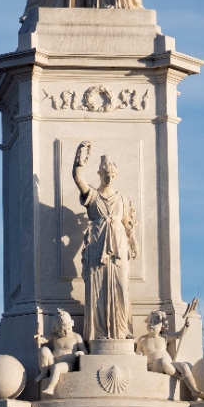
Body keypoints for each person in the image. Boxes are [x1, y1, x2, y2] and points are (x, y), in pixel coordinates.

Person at [72, 141, 137, 340]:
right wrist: (78, 163)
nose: (109, 178)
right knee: (97, 286)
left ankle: (123, 329)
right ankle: (98, 331)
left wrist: (133, 241)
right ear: (99, 174)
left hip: (118, 244)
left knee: (120, 285)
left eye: (112, 175)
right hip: (97, 243)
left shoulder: (122, 199)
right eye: (106, 175)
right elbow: (77, 178)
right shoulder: (92, 195)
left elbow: (128, 225)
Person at [136, 310, 201, 399]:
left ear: (162, 326)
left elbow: (179, 335)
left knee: (184, 366)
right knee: (163, 362)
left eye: (155, 322)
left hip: (169, 363)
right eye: (150, 322)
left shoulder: (164, 337)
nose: (151, 324)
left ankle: (194, 390)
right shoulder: (143, 339)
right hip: (153, 365)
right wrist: (139, 354)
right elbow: (137, 354)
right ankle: (181, 377)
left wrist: (186, 326)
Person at [37, 308, 87, 396]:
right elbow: (42, 340)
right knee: (44, 350)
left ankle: (51, 387)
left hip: (67, 365)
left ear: (72, 324)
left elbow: (85, 351)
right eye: (62, 330)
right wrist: (37, 335)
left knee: (57, 367)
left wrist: (80, 353)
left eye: (68, 329)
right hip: (52, 363)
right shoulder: (54, 335)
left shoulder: (76, 336)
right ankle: (44, 373)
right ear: (56, 329)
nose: (66, 332)